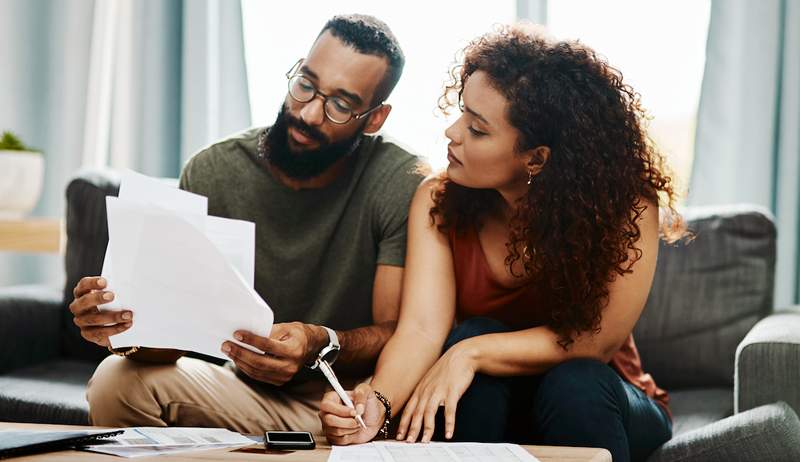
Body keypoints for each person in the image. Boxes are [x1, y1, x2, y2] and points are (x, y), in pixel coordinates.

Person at [319, 24, 686, 462]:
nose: (452, 133)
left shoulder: (627, 207)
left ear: (536, 158)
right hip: (495, 408)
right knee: (474, 334)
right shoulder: (437, 199)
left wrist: (470, 353)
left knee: (572, 380)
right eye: (461, 113)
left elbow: (595, 342)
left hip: (600, 401)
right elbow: (420, 329)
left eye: (477, 129)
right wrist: (374, 405)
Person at [68, 14, 426, 435]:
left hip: (344, 403)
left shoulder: (399, 181)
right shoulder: (214, 170)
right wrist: (123, 326)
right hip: (239, 391)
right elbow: (170, 343)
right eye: (306, 84)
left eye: (341, 105)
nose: (309, 113)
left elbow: (397, 332)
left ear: (375, 118)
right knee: (115, 381)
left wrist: (318, 343)